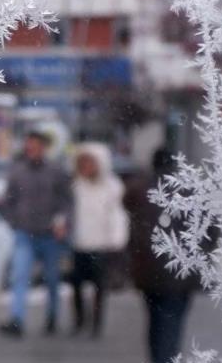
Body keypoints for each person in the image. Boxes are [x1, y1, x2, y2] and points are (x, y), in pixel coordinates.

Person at [123, 148, 200, 363]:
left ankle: (158, 357)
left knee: (155, 320)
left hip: (148, 270)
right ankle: (167, 358)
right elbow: (208, 231)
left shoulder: (138, 190)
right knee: (173, 322)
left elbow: (130, 219)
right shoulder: (189, 192)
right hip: (181, 271)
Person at [0, 131, 72, 338]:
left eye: (36, 146)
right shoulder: (18, 172)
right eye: (29, 146)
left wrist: (63, 222)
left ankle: (52, 317)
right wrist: (14, 222)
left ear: (43, 148)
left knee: (52, 279)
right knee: (20, 276)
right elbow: (8, 201)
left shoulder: (56, 172)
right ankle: (17, 320)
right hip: (25, 233)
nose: (32, 150)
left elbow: (67, 201)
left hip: (50, 235)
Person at [69, 142, 128, 338]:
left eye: (90, 162)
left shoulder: (112, 186)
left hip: (101, 245)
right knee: (76, 285)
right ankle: (79, 321)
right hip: (79, 244)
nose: (86, 167)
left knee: (99, 288)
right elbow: (68, 212)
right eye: (82, 162)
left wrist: (117, 240)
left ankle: (96, 325)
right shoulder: (76, 186)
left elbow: (117, 215)